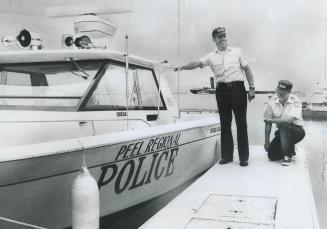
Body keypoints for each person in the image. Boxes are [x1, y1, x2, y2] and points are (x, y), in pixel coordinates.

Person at [175, 27, 255, 166]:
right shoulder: (210, 56)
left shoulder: (237, 52)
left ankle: (244, 158)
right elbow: (197, 63)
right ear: (214, 39)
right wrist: (181, 67)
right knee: (225, 124)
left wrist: (252, 88)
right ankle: (227, 156)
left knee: (241, 124)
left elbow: (247, 69)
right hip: (222, 90)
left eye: (224, 36)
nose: (223, 39)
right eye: (219, 37)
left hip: (238, 89)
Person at [263, 80, 305, 166]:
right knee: (272, 156)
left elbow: (287, 120)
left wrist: (271, 120)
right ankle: (290, 148)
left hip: (297, 131)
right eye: (278, 92)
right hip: (282, 134)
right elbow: (267, 123)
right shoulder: (272, 101)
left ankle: (287, 156)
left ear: (290, 92)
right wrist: (267, 142)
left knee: (284, 124)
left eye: (283, 93)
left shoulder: (295, 101)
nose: (279, 95)